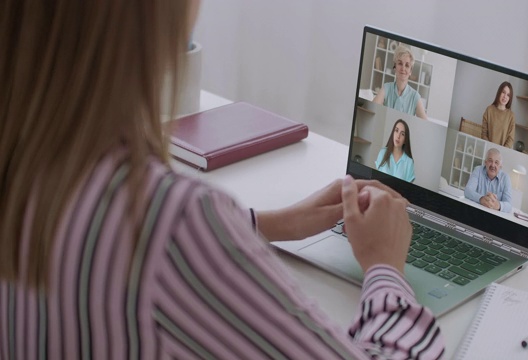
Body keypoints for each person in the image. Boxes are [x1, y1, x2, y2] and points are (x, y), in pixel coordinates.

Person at [0, 1, 445, 359]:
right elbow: (162, 248)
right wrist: (385, 268)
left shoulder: (26, 159)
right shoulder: (168, 225)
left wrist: (261, 225)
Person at [373, 45, 428, 120]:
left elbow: (425, 123)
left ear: (410, 71)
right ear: (394, 67)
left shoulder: (415, 96)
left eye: (407, 65)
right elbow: (372, 108)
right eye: (400, 63)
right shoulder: (386, 88)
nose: (403, 68)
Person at [464, 148, 513, 213]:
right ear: (485, 162)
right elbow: (467, 191)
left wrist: (497, 205)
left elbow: (509, 205)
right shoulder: (478, 170)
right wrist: (481, 199)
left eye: (496, 162)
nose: (493, 165)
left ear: (500, 166)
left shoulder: (505, 178)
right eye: (490, 161)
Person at [481, 81, 516, 148]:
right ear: (499, 92)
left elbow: (510, 139)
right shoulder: (489, 110)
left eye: (508, 95)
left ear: (510, 98)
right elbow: (484, 134)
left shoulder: (511, 116)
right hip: (488, 150)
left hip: (502, 154)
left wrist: (501, 151)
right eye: (503, 92)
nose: (505, 96)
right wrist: (490, 148)